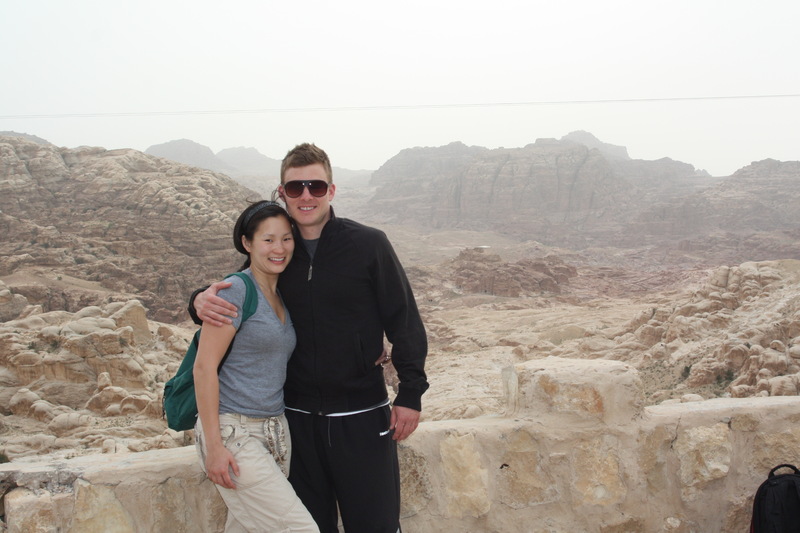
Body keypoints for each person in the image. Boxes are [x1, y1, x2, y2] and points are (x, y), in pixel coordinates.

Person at [190, 143, 429, 532]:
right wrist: (198, 300)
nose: (305, 195)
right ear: (281, 192)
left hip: (362, 415)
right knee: (312, 525)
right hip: (296, 423)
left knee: (376, 525)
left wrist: (410, 394)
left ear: (331, 191)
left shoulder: (368, 245)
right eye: (295, 187)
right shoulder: (280, 250)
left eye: (315, 186)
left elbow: (404, 321)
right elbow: (238, 289)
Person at [193, 200, 319, 532]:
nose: (279, 248)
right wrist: (214, 447)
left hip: (274, 431)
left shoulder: (281, 294)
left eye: (286, 238)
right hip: (234, 434)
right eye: (268, 239)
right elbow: (204, 368)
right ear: (247, 243)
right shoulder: (235, 291)